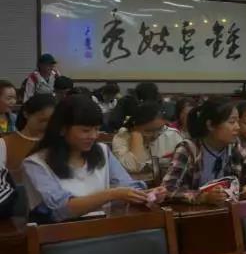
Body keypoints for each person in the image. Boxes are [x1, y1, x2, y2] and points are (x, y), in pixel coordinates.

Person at [22, 95, 158, 223]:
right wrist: (112, 194)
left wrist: (146, 195)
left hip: (103, 228)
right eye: (85, 130)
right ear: (62, 129)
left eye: (97, 129)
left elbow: (126, 185)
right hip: (61, 234)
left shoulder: (102, 151)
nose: (93, 136)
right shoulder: (35, 163)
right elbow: (61, 210)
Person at [161, 97, 246, 205]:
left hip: (227, 210)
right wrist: (202, 197)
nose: (237, 127)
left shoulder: (234, 146)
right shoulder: (188, 149)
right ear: (210, 125)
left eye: (238, 121)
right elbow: (166, 190)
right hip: (195, 213)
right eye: (232, 122)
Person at [112, 101, 184, 173]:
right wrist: (136, 136)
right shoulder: (121, 137)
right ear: (135, 126)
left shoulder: (172, 135)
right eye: (149, 131)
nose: (155, 135)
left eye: (160, 129)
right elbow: (133, 168)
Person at [3, 93, 56, 183]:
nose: (46, 125)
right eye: (42, 120)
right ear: (26, 114)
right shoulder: (5, 143)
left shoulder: (57, 143)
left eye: (51, 121)